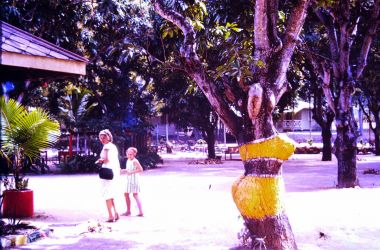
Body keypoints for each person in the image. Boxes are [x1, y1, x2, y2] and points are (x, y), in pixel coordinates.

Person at [95, 129, 121, 222]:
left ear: (109, 137)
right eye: (101, 137)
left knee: (107, 193)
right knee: (111, 193)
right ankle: (116, 213)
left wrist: (99, 161)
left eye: (104, 137)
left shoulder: (106, 147)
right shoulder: (113, 146)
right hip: (114, 170)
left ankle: (110, 216)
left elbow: (106, 159)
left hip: (107, 170)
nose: (102, 139)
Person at [121, 147, 143, 216]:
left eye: (131, 154)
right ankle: (128, 210)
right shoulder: (128, 160)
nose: (129, 155)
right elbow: (129, 169)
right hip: (129, 180)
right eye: (128, 154)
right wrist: (123, 170)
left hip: (134, 180)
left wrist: (131, 172)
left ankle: (140, 211)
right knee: (126, 194)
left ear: (134, 154)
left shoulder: (135, 161)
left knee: (135, 195)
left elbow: (141, 169)